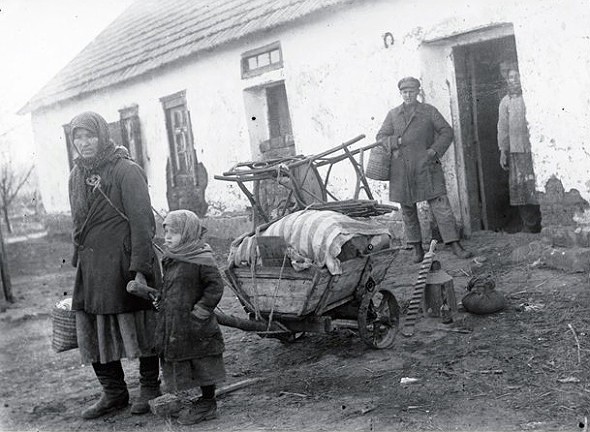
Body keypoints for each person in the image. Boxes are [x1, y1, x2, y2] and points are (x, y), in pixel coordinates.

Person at [68, 111, 162, 419]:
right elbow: (78, 220)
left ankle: (149, 387)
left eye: (90, 135)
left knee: (141, 323)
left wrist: (140, 268)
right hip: (93, 265)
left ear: (103, 135)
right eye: (78, 137)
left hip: (125, 262)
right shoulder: (75, 175)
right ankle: (113, 392)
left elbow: (143, 223)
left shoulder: (126, 170)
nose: (85, 143)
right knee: (93, 327)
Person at [376, 77, 472, 263]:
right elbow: (381, 136)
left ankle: (454, 244)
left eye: (411, 91)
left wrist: (433, 151)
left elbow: (447, 131)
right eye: (404, 92)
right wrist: (397, 141)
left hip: (426, 165)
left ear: (418, 92)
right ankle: (417, 248)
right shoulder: (393, 114)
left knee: (441, 206)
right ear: (401, 94)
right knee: (408, 209)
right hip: (402, 169)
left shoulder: (428, 111)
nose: (408, 95)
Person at [156, 210, 226, 425]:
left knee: (203, 362)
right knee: (183, 360)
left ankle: (208, 402)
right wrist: (161, 299)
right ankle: (190, 398)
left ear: (187, 233)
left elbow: (215, 287)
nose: (167, 237)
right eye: (166, 231)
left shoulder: (201, 258)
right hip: (176, 322)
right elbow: (169, 285)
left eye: (174, 232)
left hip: (196, 324)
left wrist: (201, 311)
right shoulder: (171, 257)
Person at [497, 68, 542, 233]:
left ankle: (540, 223)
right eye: (510, 77)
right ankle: (530, 225)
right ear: (507, 80)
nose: (514, 80)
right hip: (516, 152)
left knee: (534, 186)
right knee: (520, 189)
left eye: (517, 76)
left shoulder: (530, 98)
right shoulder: (505, 102)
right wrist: (503, 150)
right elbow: (502, 128)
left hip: (532, 152)